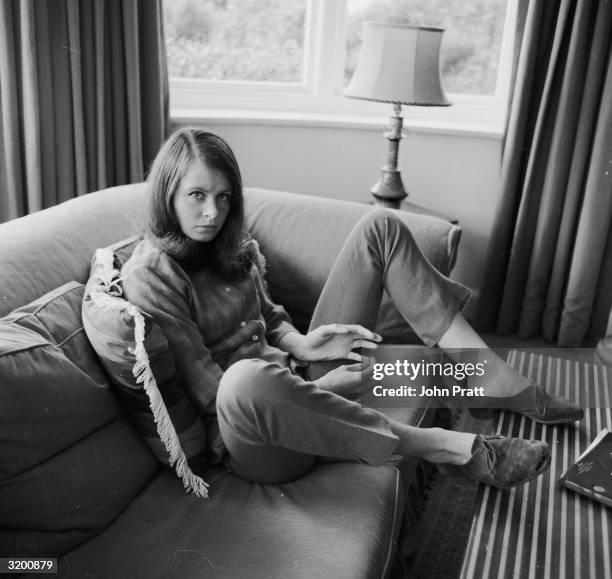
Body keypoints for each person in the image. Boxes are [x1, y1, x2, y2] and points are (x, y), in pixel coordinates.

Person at [121, 127, 583, 489]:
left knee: (380, 227)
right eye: (196, 196)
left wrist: (304, 343)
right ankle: (450, 449)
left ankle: (484, 375)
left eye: (223, 197)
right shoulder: (152, 275)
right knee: (244, 381)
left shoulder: (229, 244)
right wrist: (331, 391)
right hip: (256, 431)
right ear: (168, 195)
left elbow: (270, 319)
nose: (212, 213)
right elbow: (211, 392)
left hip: (298, 376)